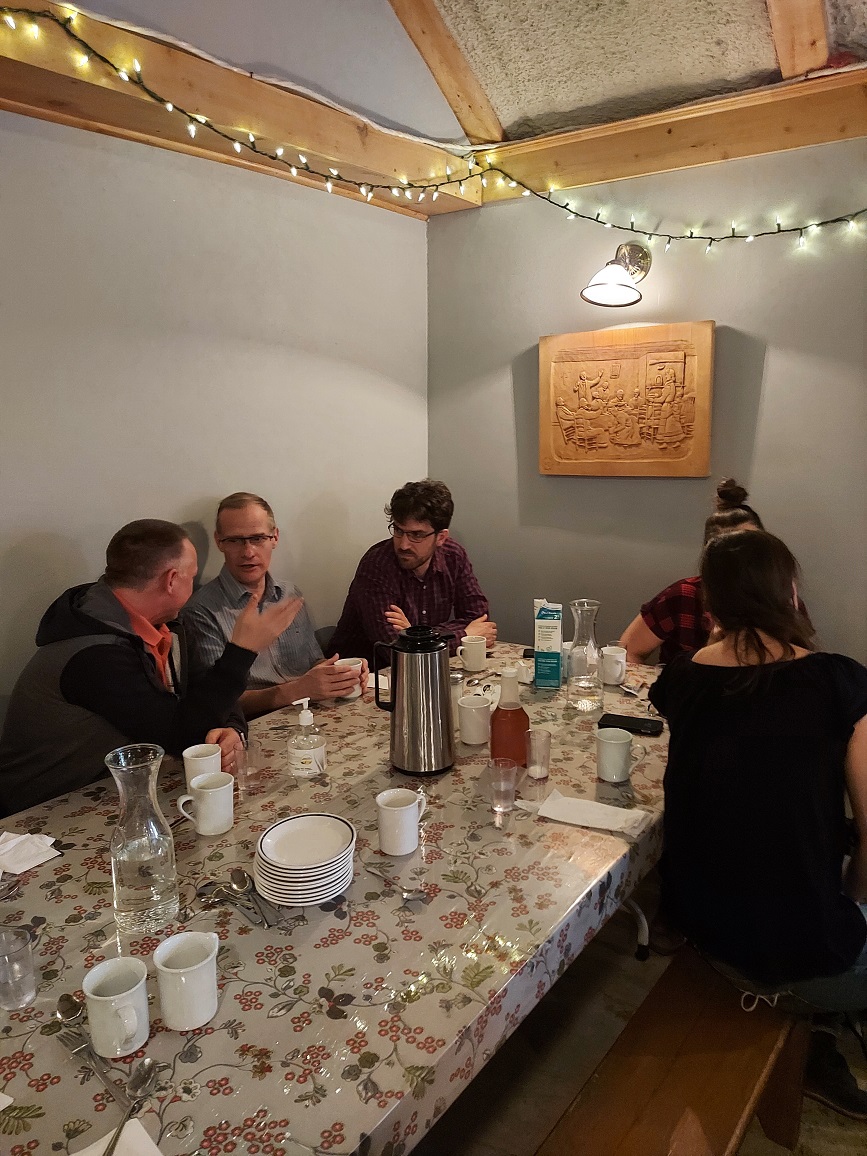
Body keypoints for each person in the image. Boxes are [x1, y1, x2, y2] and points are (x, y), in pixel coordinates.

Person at [649, 529, 867, 1118]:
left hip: (706, 930)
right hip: (794, 953)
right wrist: (852, 898)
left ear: (710, 605)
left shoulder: (682, 680)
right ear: (790, 594)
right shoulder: (839, 682)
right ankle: (818, 1028)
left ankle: (817, 1034)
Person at [0, 520, 302, 815]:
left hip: (129, 785)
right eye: (191, 576)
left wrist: (232, 730)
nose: (195, 583)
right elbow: (180, 734)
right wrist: (242, 651)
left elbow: (208, 692)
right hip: (46, 811)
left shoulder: (168, 624)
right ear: (172, 580)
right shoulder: (94, 655)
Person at [182, 493, 365, 717]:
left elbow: (313, 662)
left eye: (258, 538)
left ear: (274, 538)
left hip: (310, 714)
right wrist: (296, 690)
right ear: (219, 541)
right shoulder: (201, 611)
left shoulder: (289, 594)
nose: (248, 552)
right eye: (235, 540)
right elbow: (217, 702)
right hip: (254, 725)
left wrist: (341, 675)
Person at [328, 479, 495, 667]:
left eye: (416, 535)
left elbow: (479, 620)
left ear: (441, 537)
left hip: (423, 669)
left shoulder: (453, 556)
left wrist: (415, 635)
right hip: (366, 674)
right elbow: (395, 650)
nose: (403, 544)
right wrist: (464, 635)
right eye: (398, 530)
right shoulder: (377, 565)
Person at [620, 478, 768, 664]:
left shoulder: (779, 602)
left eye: (752, 550)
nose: (741, 562)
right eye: (728, 554)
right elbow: (626, 651)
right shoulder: (685, 596)